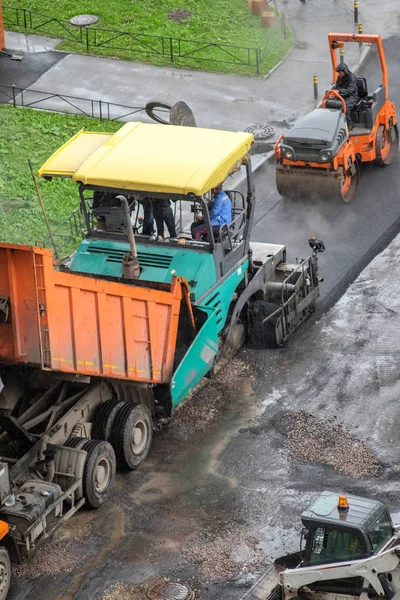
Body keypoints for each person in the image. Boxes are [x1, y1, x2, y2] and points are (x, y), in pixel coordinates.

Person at [332, 63, 358, 130]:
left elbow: (351, 90)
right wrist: (332, 92)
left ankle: (350, 124)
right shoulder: (340, 77)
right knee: (331, 105)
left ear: (345, 71)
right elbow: (337, 86)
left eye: (340, 73)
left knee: (344, 108)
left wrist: (339, 91)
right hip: (342, 95)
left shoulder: (352, 78)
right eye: (339, 73)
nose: (339, 74)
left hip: (352, 96)